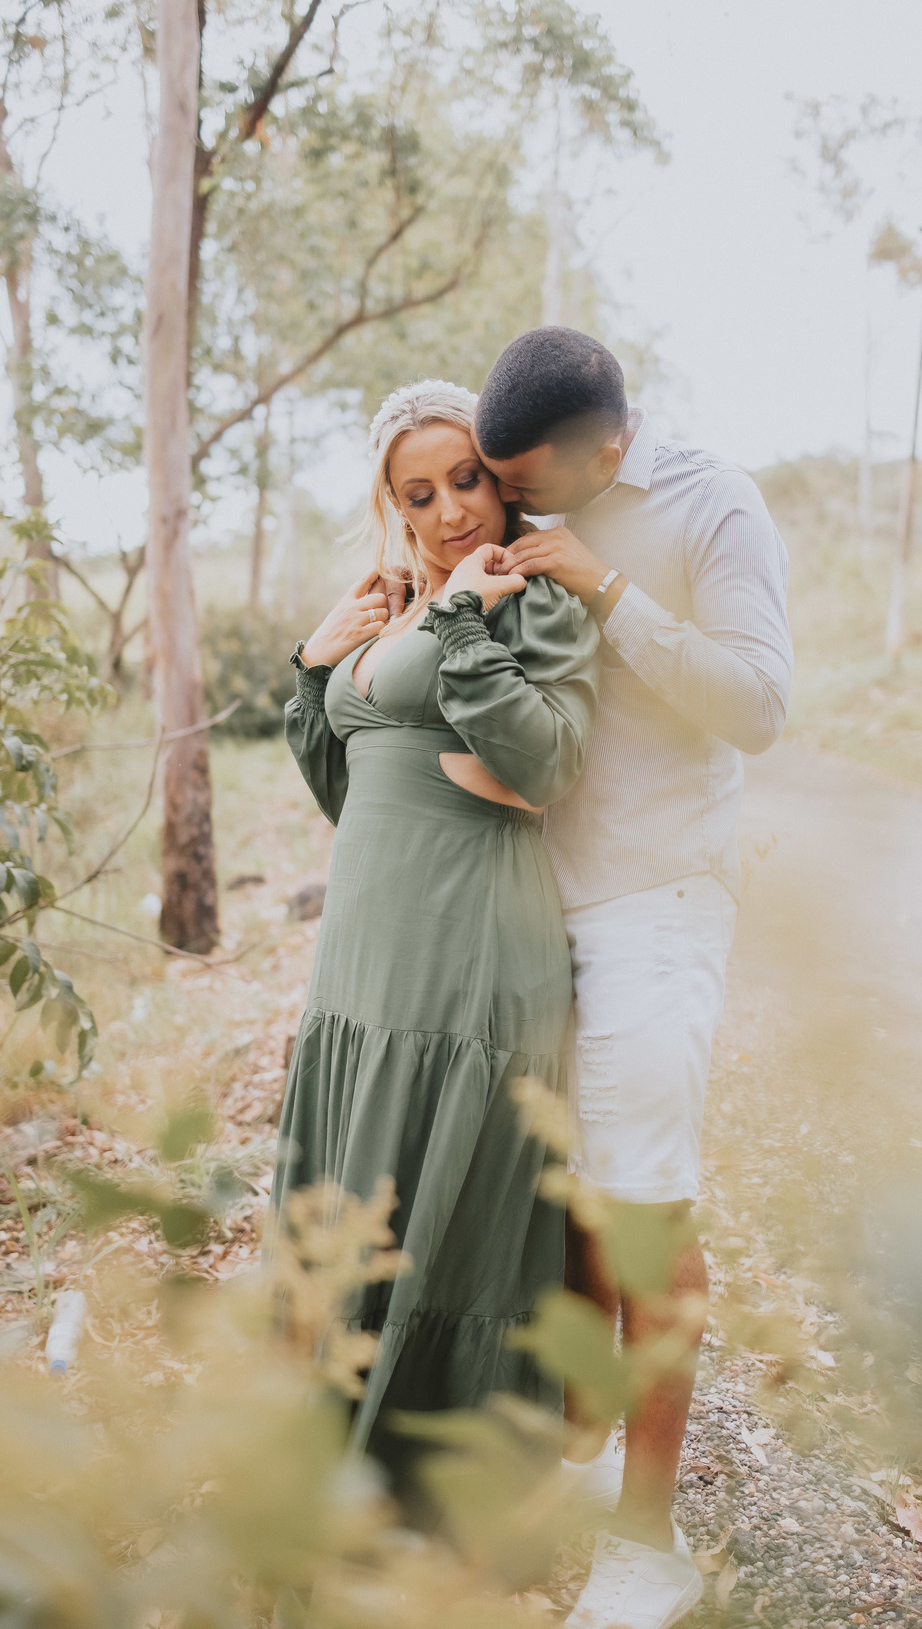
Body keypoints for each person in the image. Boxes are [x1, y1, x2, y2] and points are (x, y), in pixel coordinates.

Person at [475, 327, 793, 1629]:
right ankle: (583, 1455)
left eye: (523, 486)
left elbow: (760, 707)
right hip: (534, 914)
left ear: (607, 448)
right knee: (568, 1211)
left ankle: (650, 1546)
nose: (510, 506)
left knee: (643, 1218)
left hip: (657, 905)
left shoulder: (716, 507)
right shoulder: (536, 504)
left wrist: (610, 592)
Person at [271, 380, 600, 1507]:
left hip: (470, 951)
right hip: (365, 955)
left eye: (466, 480)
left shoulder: (525, 598)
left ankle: (435, 1490)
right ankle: (328, 1450)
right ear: (394, 506)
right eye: (420, 494)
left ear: (499, 477)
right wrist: (316, 671)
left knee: (433, 1209)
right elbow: (348, 792)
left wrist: (464, 623)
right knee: (356, 1194)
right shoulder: (391, 600)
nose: (452, 510)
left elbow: (547, 764)